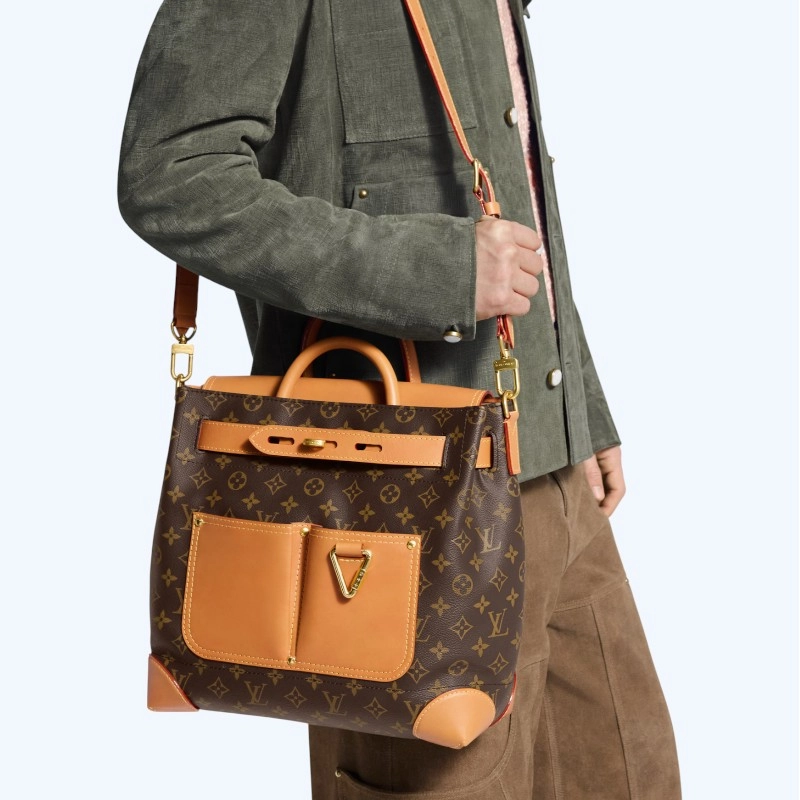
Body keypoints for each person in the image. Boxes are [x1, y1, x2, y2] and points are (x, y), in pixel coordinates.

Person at [118, 1, 681, 797]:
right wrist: (437, 270)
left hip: (551, 473)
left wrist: (578, 406)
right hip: (393, 502)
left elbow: (511, 180)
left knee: (631, 774)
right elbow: (172, 178)